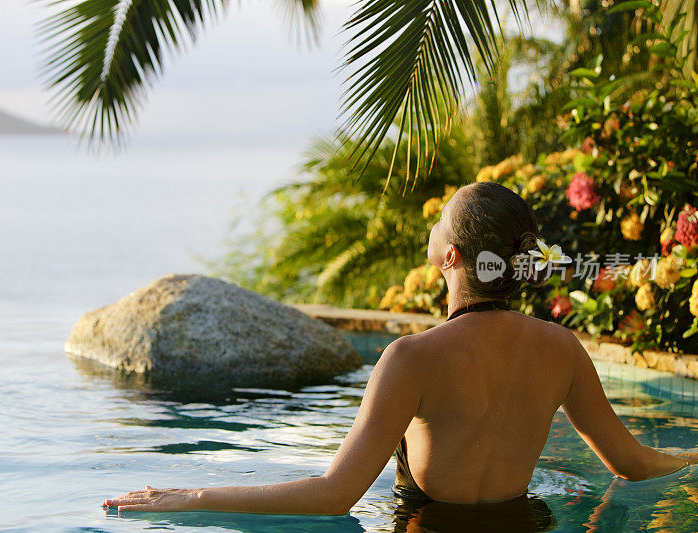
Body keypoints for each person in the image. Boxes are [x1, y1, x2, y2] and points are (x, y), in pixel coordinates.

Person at [101, 181, 696, 515]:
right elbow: (634, 465)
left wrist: (195, 496)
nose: (432, 227)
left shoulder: (412, 359)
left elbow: (335, 496)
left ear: (451, 257)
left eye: (442, 219)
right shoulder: (562, 349)